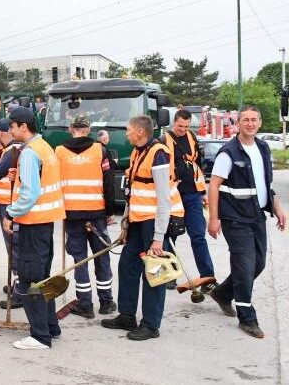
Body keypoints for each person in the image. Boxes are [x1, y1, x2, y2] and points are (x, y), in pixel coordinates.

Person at [101, 116, 184, 341]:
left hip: (153, 223)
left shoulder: (158, 153)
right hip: (138, 221)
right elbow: (134, 189)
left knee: (154, 273)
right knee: (127, 266)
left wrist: (158, 237)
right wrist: (126, 221)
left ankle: (151, 325)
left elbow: (164, 199)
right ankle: (127, 315)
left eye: (128, 130)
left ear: (140, 131)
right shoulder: (139, 152)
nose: (126, 134)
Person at [208, 106, 286, 338]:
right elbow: (213, 185)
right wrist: (213, 219)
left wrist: (278, 207)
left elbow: (265, 184)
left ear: (260, 123)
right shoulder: (228, 152)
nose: (250, 124)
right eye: (245, 120)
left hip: (256, 215)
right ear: (238, 124)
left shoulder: (262, 148)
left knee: (258, 264)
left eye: (254, 120)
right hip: (235, 217)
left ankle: (223, 294)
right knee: (244, 266)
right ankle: (247, 317)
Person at [2, 107, 65, 350]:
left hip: (32, 223)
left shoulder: (29, 154)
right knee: (43, 277)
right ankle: (50, 326)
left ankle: (40, 336)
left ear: (23, 127)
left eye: (12, 126)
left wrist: (10, 212)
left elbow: (30, 194)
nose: (9, 130)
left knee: (30, 279)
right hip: (44, 223)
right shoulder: (44, 148)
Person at [55, 115, 116, 319]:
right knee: (101, 256)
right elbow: (109, 183)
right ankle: (106, 301)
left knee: (80, 259)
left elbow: (53, 181)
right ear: (88, 129)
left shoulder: (59, 151)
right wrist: (109, 211)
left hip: (71, 214)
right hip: (96, 213)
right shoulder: (100, 150)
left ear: (71, 128)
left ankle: (85, 304)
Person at [160, 109, 215, 289]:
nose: (182, 130)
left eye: (186, 126)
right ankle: (169, 276)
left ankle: (207, 278)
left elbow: (197, 165)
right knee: (171, 235)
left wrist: (203, 193)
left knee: (198, 236)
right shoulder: (163, 140)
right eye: (180, 126)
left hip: (192, 194)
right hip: (173, 195)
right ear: (173, 123)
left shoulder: (191, 137)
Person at [0, 118, 23, 310]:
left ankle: (19, 289)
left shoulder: (11, 150)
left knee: (14, 247)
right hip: (7, 202)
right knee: (14, 247)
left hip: (10, 205)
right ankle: (17, 284)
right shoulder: (16, 150)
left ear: (2, 133)